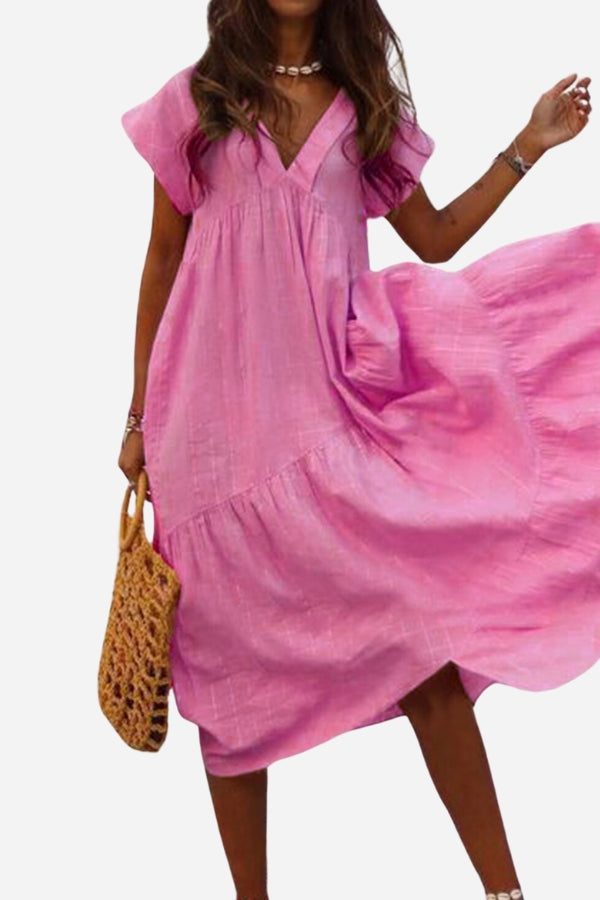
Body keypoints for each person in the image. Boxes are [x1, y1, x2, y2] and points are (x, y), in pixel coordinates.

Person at [117, 1, 599, 898]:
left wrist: (527, 146)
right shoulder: (199, 98)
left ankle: (506, 891)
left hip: (334, 423)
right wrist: (140, 419)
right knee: (225, 677)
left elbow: (435, 236)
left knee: (419, 641)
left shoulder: (364, 106)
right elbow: (161, 261)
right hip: (210, 438)